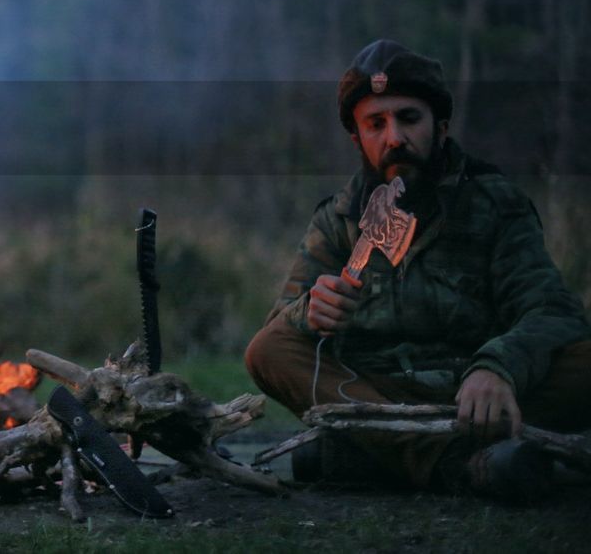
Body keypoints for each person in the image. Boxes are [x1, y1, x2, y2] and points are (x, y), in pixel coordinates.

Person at [244, 39, 591, 500]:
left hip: (476, 395)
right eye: (376, 124)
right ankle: (459, 465)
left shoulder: (494, 203)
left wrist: (498, 366)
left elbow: (552, 310)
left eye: (409, 118)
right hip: (377, 396)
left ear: (440, 126)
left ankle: (367, 457)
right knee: (266, 349)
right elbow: (279, 333)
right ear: (358, 139)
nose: (394, 138)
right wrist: (309, 311)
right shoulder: (338, 220)